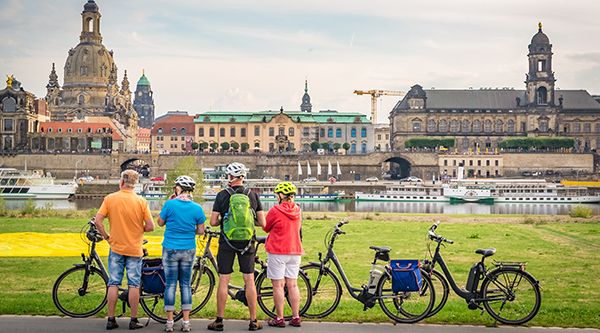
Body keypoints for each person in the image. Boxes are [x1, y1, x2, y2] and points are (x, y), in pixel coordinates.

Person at [208, 162, 266, 331]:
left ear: (230, 177)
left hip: (226, 241)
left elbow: (213, 221)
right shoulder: (252, 195)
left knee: (224, 280)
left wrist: (223, 221)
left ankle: (219, 320)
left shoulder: (222, 195)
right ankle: (254, 321)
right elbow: (262, 222)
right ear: (243, 176)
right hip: (247, 242)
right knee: (249, 280)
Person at [94, 170, 155, 330]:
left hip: (116, 246)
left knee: (113, 282)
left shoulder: (110, 199)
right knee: (134, 284)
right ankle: (133, 320)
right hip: (135, 248)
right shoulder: (141, 201)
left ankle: (111, 319)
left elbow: (98, 222)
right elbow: (150, 226)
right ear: (136, 184)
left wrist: (107, 237)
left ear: (121, 182)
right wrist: (138, 228)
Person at [157, 176, 206, 332]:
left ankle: (170, 322)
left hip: (170, 248)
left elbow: (159, 223)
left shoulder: (170, 204)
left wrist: (168, 202)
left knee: (170, 284)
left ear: (177, 188)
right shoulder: (197, 208)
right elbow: (200, 231)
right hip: (188, 249)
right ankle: (186, 322)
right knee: (185, 285)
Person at [262, 182, 304, 327]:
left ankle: (279, 318)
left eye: (276, 194)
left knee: (278, 286)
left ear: (281, 196)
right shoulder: (298, 210)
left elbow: (265, 227)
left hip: (278, 251)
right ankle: (296, 316)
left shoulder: (275, 210)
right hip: (295, 251)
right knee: (292, 285)